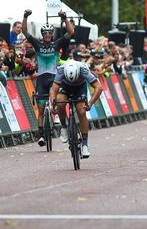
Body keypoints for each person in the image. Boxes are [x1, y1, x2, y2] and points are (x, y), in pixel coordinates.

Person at [22, 9, 74, 147]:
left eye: (49, 33)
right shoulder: (37, 45)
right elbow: (25, 31)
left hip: (53, 77)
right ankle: (41, 136)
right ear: (42, 34)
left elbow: (70, 33)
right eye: (45, 33)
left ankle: (56, 115)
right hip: (41, 79)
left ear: (52, 34)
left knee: (55, 99)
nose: (47, 35)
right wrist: (25, 17)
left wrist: (65, 18)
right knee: (40, 109)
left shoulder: (56, 44)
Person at [49, 60, 103, 158]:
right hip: (65, 87)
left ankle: (85, 144)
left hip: (80, 88)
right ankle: (64, 127)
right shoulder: (61, 70)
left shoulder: (84, 70)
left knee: (81, 112)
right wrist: (53, 104)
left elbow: (99, 87)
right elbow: (54, 89)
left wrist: (90, 103)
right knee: (60, 103)